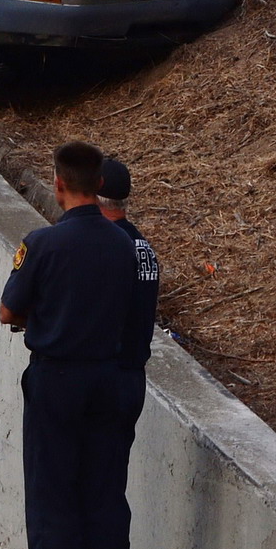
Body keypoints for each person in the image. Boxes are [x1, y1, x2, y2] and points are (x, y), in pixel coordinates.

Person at [0, 141, 137, 549]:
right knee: (103, 490)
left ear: (58, 185)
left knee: (52, 494)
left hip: (56, 379)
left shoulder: (42, 244)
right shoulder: (122, 244)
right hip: (108, 378)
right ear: (97, 183)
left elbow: (8, 311)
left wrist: (45, 320)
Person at [98, 157, 160, 521]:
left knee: (90, 490)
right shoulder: (143, 247)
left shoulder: (107, 247)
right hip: (133, 377)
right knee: (112, 488)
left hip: (106, 376)